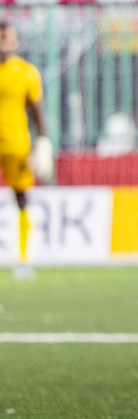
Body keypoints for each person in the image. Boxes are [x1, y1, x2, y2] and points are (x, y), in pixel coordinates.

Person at [0, 21, 48, 274]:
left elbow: (36, 109)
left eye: (7, 37)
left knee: (22, 198)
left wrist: (43, 140)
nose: (3, 41)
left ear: (16, 42)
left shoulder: (27, 72)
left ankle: (23, 259)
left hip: (16, 145)